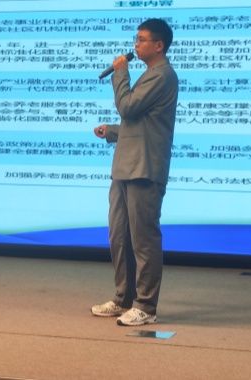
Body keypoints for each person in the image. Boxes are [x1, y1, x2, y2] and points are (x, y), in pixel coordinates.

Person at [91, 18, 178, 326]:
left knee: (143, 240)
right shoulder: (148, 75)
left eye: (142, 39)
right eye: (136, 39)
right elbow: (138, 122)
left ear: (159, 45)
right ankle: (123, 298)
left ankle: (146, 306)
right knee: (120, 236)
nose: (135, 45)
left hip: (145, 168)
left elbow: (128, 107)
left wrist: (120, 73)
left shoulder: (162, 75)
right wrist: (112, 131)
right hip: (126, 166)